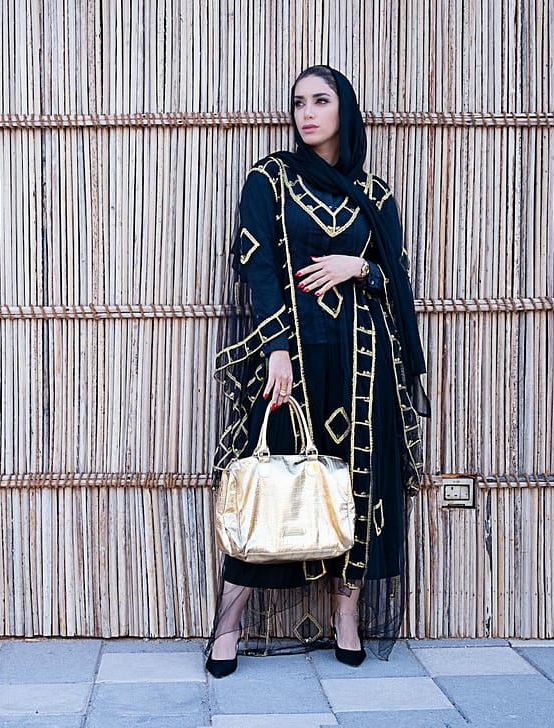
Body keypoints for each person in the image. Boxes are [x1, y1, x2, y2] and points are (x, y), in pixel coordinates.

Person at [205, 65, 429, 678]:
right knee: (271, 480)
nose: (307, 112)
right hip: (293, 361)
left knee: (357, 489)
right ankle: (229, 624)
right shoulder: (270, 180)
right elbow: (256, 265)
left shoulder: (374, 195)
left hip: (363, 363)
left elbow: (396, 280)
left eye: (321, 101)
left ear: (344, 110)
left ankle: (347, 618)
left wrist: (356, 269)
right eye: (299, 102)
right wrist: (275, 349)